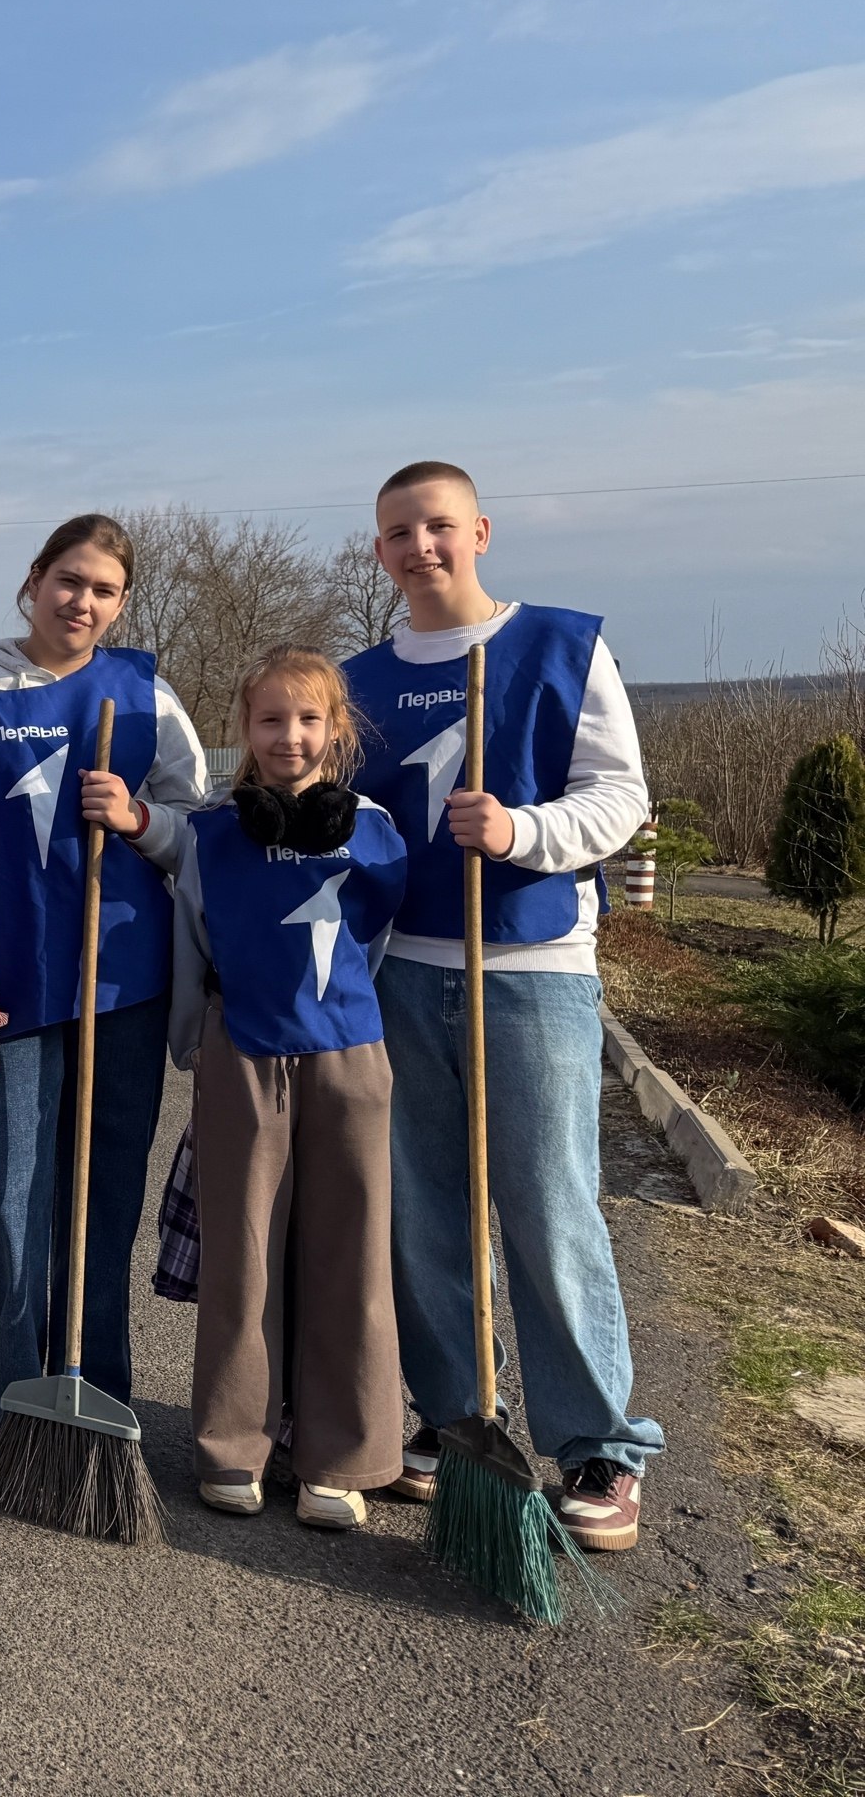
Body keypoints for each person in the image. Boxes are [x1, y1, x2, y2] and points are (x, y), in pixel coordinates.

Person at [345, 460, 660, 1552]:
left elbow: (620, 796)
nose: (418, 547)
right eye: (397, 533)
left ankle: (596, 1445)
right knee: (422, 1208)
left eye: (436, 526)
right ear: (377, 550)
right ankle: (451, 1415)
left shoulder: (558, 646)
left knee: (546, 1205)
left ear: (477, 530)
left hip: (528, 971)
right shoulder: (358, 679)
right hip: (402, 969)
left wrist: (520, 834)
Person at [0, 514, 206, 1459]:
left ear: (121, 604)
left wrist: (142, 816)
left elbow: (200, 831)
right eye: (68, 580)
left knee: (104, 1196)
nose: (82, 601)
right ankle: (2, 1389)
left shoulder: (144, 694)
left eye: (104, 590)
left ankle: (95, 1384)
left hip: (120, 981)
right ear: (33, 581)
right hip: (5, 993)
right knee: (4, 1198)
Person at [170, 647, 409, 1531]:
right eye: (271, 719)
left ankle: (340, 1456)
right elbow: (192, 935)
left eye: (309, 720)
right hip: (244, 1051)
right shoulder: (210, 833)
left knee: (350, 1253)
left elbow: (372, 940)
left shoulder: (377, 831)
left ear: (336, 729)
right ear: (245, 729)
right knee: (243, 1252)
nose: (290, 737)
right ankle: (236, 1443)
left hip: (347, 1054)